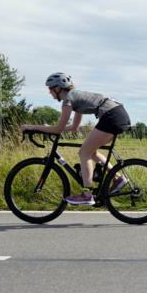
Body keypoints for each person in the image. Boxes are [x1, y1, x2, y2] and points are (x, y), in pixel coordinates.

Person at [21, 72, 131, 206]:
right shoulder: (76, 96)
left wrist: (32, 127)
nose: (49, 93)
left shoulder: (68, 100)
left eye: (50, 89)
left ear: (58, 88)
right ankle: (118, 179)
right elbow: (74, 127)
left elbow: (58, 129)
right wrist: (49, 127)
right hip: (118, 114)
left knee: (84, 152)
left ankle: (87, 194)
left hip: (111, 116)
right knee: (91, 152)